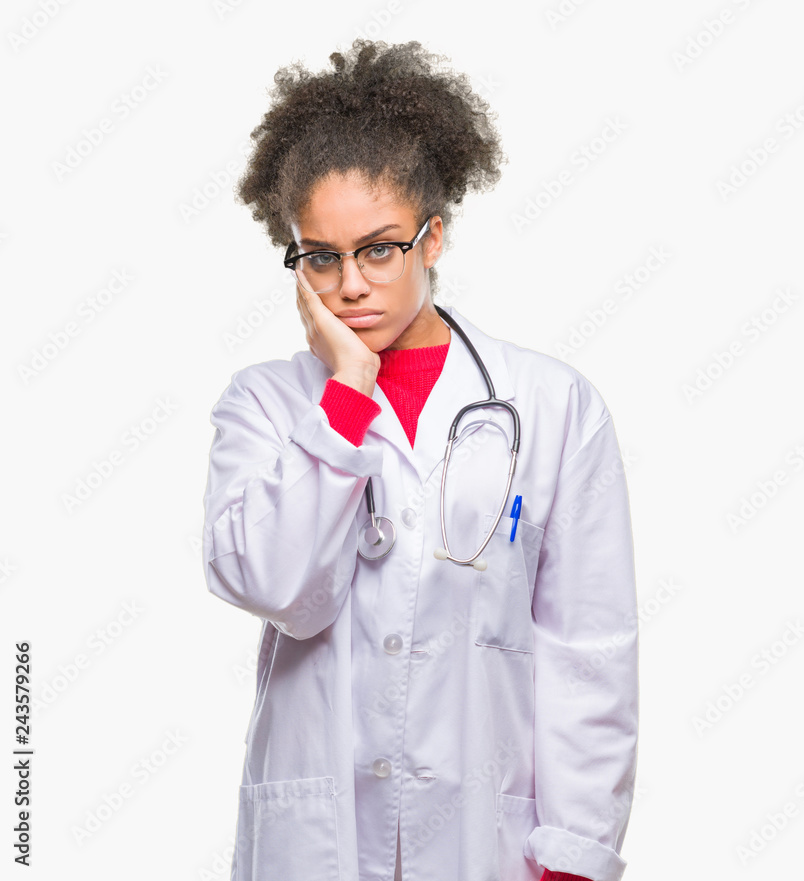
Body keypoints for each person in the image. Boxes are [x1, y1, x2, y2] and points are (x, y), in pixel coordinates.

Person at [201, 38, 639, 881]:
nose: (351, 283)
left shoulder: (551, 406)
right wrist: (347, 400)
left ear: (432, 238)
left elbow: (588, 645)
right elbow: (277, 586)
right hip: (314, 841)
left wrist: (575, 856)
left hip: (486, 842)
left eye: (379, 247)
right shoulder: (264, 404)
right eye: (320, 256)